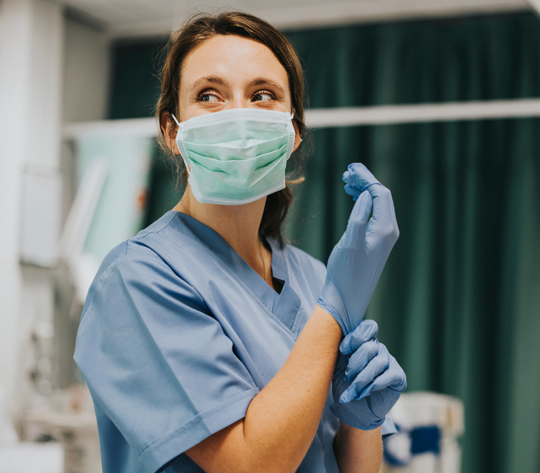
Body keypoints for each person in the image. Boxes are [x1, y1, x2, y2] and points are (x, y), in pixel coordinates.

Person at [73, 11, 406, 473]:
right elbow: (251, 465)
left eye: (262, 95)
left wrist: (362, 421)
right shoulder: (137, 279)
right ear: (172, 132)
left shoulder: (313, 277)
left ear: (291, 133)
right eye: (209, 95)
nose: (239, 116)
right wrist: (334, 308)